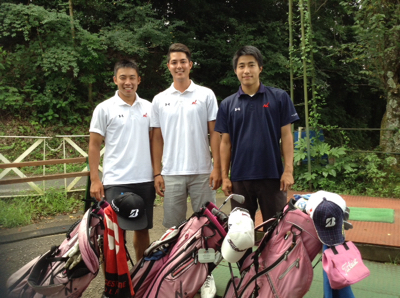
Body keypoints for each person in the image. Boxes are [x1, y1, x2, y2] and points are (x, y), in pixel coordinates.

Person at [150, 43, 220, 298]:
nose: (178, 65)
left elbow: (215, 133)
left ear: (190, 64)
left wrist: (217, 167)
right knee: (174, 228)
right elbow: (157, 138)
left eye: (183, 61)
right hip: (171, 173)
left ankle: (206, 275)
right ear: (168, 66)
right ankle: (176, 272)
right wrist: (157, 173)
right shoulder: (160, 99)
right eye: (173, 62)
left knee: (205, 227)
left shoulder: (205, 94)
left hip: (203, 171)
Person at [215, 45, 299, 226]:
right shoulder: (228, 104)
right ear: (235, 70)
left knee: (275, 232)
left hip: (272, 177)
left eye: (251, 65)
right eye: (241, 66)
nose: (246, 70)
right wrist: (225, 176)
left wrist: (288, 171)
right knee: (240, 235)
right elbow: (225, 143)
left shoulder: (279, 98)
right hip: (240, 178)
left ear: (260, 68)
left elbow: (286, 136)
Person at [88, 58, 155, 263]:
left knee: (142, 230)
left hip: (145, 179)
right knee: (114, 234)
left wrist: (159, 174)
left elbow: (155, 143)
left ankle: (141, 277)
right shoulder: (104, 108)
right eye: (123, 77)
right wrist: (95, 179)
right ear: (115, 79)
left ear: (139, 80)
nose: (128, 82)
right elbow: (94, 145)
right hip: (116, 181)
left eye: (132, 78)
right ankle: (116, 284)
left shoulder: (150, 107)